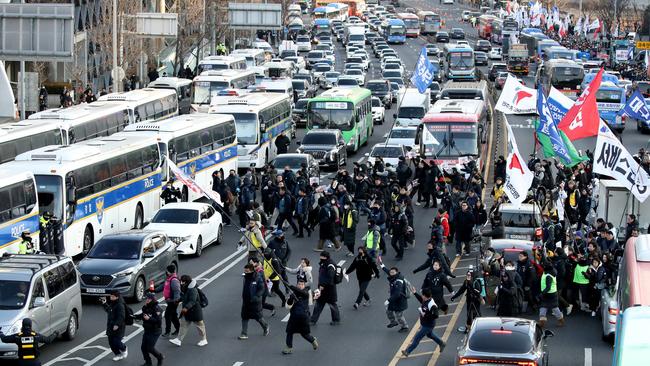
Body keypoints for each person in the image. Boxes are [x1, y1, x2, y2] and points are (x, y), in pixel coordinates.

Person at [401, 288, 446, 358]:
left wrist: (425, 315)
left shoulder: (432, 305)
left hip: (428, 325)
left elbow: (436, 315)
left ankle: (407, 351)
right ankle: (441, 343)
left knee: (417, 338)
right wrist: (415, 293)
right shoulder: (425, 300)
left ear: (425, 296)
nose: (422, 296)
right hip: (425, 323)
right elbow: (421, 300)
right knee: (430, 335)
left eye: (422, 295)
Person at [169, 275, 207, 347]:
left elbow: (192, 301)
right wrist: (178, 300)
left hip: (195, 311)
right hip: (188, 311)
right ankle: (179, 340)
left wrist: (186, 307)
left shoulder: (193, 290)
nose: (181, 282)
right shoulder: (185, 288)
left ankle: (204, 340)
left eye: (182, 281)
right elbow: (184, 297)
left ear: (186, 282)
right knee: (183, 325)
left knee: (200, 326)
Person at [283, 279, 319, 354]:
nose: (300, 285)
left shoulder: (306, 293)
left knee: (304, 334)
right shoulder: (293, 293)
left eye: (302, 284)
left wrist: (290, 286)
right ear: (297, 285)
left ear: (304, 286)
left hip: (303, 317)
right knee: (289, 332)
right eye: (299, 284)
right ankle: (289, 347)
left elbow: (302, 293)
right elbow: (288, 306)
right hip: (294, 317)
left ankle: (313, 340)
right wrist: (290, 298)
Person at [310, 251, 341, 325]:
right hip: (323, 289)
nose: (320, 258)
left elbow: (330, 277)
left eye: (321, 256)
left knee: (331, 304)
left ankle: (336, 320)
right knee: (319, 304)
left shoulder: (330, 265)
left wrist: (323, 285)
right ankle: (313, 320)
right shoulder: (325, 263)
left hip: (329, 289)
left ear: (324, 257)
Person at [239, 263, 269, 339]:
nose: (245, 273)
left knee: (258, 317)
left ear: (252, 271)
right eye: (244, 271)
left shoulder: (257, 278)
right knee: (244, 317)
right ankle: (244, 333)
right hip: (246, 301)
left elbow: (262, 288)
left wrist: (257, 296)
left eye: (247, 271)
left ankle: (265, 326)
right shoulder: (245, 277)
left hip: (255, 302)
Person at [379, 258, 409, 333]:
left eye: (393, 272)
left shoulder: (399, 281)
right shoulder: (394, 276)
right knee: (388, 310)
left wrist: (388, 300)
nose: (391, 273)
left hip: (400, 300)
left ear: (397, 272)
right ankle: (393, 322)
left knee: (399, 315)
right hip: (394, 299)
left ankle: (405, 327)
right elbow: (387, 271)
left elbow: (397, 293)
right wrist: (382, 265)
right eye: (391, 272)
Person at [134, 292, 164, 366]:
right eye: (146, 298)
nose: (147, 300)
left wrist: (149, 319)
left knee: (150, 348)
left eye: (148, 299)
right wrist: (135, 316)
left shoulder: (157, 309)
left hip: (155, 331)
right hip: (147, 330)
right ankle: (148, 362)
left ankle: (160, 357)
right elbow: (143, 315)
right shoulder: (146, 306)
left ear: (152, 299)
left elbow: (158, 321)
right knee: (143, 348)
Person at [101, 291, 128, 361]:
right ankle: (117, 354)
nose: (111, 297)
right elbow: (109, 310)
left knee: (117, 341)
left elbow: (121, 316)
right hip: (110, 326)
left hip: (119, 327)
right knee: (111, 342)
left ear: (117, 297)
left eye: (112, 296)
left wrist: (117, 325)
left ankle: (124, 348)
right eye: (111, 296)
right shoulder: (113, 303)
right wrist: (104, 303)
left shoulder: (120, 305)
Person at [538, 263, 565, 327]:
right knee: (544, 307)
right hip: (551, 293)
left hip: (550, 294)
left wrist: (542, 294)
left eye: (543, 266)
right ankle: (542, 322)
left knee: (553, 308)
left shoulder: (548, 275)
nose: (542, 267)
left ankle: (561, 320)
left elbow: (548, 287)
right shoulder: (551, 271)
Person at [162, 265, 181, 338]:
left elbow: (177, 291)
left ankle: (167, 332)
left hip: (173, 302)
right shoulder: (169, 278)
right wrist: (155, 289)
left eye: (167, 271)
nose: (166, 272)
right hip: (170, 301)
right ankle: (178, 329)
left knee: (167, 315)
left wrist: (175, 301)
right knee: (173, 316)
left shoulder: (174, 280)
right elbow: (164, 286)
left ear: (169, 271)